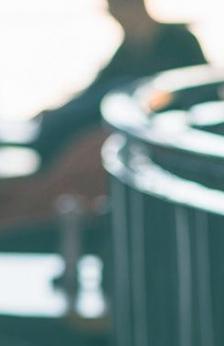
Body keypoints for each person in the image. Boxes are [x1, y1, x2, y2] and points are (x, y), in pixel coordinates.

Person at [0, 0, 205, 230]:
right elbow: (93, 92)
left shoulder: (178, 42)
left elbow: (195, 96)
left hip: (149, 140)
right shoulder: (126, 51)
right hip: (95, 134)